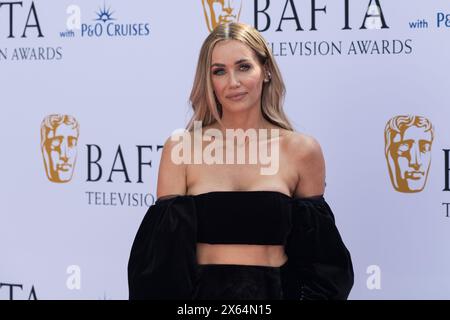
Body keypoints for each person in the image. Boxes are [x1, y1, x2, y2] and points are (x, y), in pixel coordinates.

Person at [128, 22, 354, 300]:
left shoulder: (302, 151)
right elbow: (161, 267)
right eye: (219, 71)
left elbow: (322, 264)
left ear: (266, 70)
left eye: (244, 67)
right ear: (209, 80)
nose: (233, 82)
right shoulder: (181, 148)